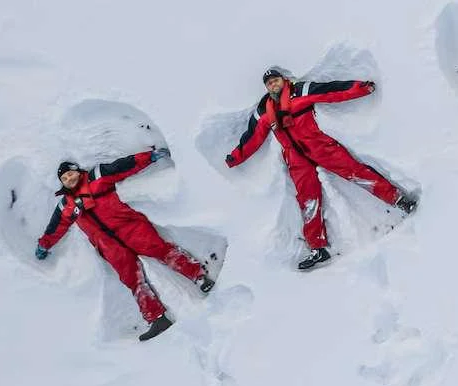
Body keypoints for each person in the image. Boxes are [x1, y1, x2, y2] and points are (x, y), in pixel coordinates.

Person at [225, 68, 417, 270]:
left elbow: (332, 91)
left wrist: (361, 88)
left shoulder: (301, 91)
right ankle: (318, 249)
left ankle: (398, 199)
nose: (273, 84)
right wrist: (234, 158)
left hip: (319, 146)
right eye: (269, 83)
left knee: (356, 172)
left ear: (283, 80)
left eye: (275, 80)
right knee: (308, 201)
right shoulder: (263, 111)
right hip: (296, 158)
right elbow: (251, 138)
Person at [35, 147, 213, 342]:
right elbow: (55, 228)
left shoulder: (97, 176)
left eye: (70, 174)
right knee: (131, 279)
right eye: (65, 179)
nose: (69, 180)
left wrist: (150, 157)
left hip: (130, 227)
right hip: (109, 246)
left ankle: (199, 277)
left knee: (160, 249)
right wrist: (45, 245)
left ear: (77, 170)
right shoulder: (65, 206)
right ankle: (157, 318)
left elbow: (125, 165)